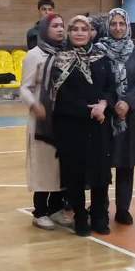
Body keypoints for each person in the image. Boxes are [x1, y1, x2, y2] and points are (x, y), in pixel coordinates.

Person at [50, 15, 115, 236]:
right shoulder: (60, 59)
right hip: (71, 125)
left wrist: (104, 105)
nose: (79, 33)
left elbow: (110, 87)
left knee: (100, 173)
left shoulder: (101, 57)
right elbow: (61, 95)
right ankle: (80, 217)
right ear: (68, 33)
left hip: (99, 124)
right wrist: (90, 111)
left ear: (90, 33)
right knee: (75, 174)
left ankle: (99, 216)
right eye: (75, 29)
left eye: (84, 29)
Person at [94, 8, 135, 225]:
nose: (117, 28)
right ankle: (100, 207)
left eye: (121, 24)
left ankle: (123, 209)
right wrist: (111, 103)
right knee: (102, 164)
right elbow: (96, 81)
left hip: (129, 116)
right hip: (105, 116)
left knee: (127, 164)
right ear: (108, 26)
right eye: (113, 23)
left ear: (127, 26)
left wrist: (128, 102)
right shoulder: (98, 50)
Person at [19, 13, 72, 230]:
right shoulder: (34, 55)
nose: (60, 29)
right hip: (42, 121)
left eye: (62, 25)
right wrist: (35, 105)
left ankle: (56, 208)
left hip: (63, 119)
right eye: (55, 26)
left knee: (60, 167)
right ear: (44, 29)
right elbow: (24, 88)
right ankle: (40, 211)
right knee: (43, 166)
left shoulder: (67, 53)